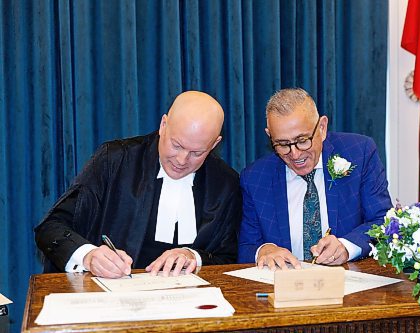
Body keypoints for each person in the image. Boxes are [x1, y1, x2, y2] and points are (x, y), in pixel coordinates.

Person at [35, 91, 242, 278]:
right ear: (163, 125)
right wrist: (89, 255)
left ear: (215, 144)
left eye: (197, 153)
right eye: (176, 145)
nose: (181, 160)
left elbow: (228, 257)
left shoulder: (225, 183)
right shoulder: (115, 161)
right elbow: (50, 228)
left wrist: (194, 257)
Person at [237, 88, 392, 269]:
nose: (295, 154)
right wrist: (264, 250)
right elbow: (246, 247)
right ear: (269, 136)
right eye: (282, 144)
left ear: (322, 128)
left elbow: (383, 221)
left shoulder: (359, 153)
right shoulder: (255, 178)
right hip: (284, 289)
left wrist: (347, 246)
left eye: (302, 140)